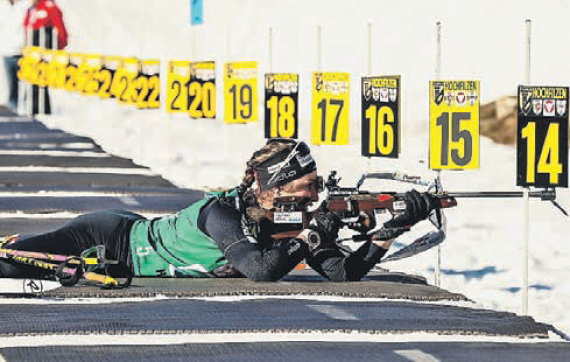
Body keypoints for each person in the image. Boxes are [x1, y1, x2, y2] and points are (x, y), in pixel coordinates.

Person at [0, 139, 436, 282]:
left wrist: (391, 229)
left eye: (318, 185)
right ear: (276, 186)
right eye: (308, 186)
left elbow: (342, 272)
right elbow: (261, 270)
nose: (315, 194)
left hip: (129, 236)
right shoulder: (221, 213)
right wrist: (315, 231)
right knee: (14, 262)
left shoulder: (290, 221)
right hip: (108, 238)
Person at [23, 0, 69, 114]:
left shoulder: (49, 6)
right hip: (32, 49)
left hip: (44, 48)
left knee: (42, 80)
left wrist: (60, 46)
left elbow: (59, 26)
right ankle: (33, 109)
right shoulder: (31, 8)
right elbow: (27, 27)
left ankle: (44, 110)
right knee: (32, 80)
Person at [0, 0, 29, 111]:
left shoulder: (27, 4)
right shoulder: (3, 5)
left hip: (24, 51)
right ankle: (13, 110)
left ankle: (27, 111)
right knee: (11, 86)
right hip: (7, 50)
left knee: (28, 85)